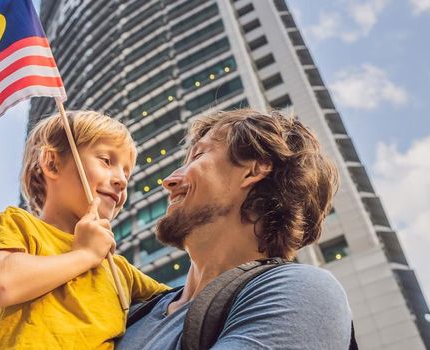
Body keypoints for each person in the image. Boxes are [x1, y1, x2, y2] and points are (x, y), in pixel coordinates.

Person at [117, 109, 353, 349]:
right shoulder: (132, 313)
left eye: (198, 156)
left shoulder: (303, 291)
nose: (169, 181)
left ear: (252, 171)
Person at [0, 110, 170, 349]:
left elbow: (184, 301)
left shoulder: (119, 269)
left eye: (126, 174)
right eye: (107, 161)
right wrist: (85, 255)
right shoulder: (19, 223)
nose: (121, 180)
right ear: (52, 163)